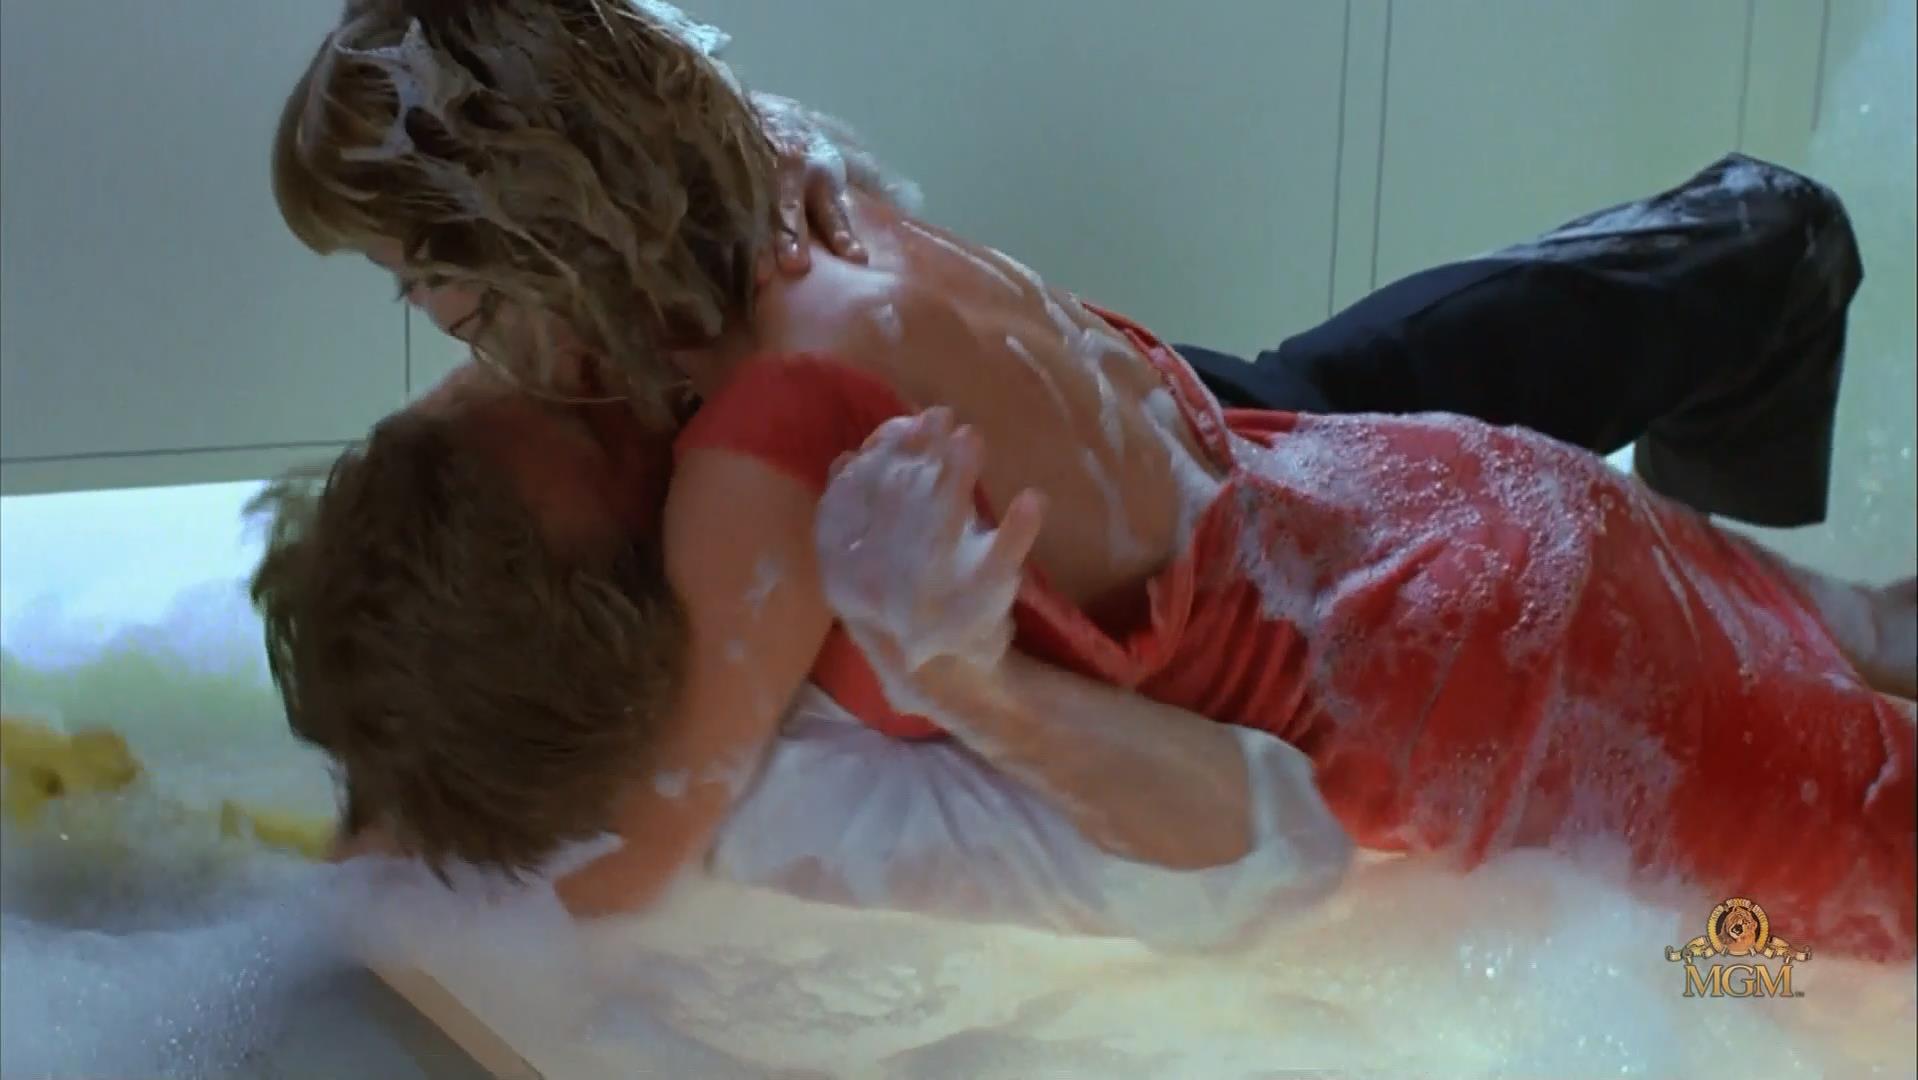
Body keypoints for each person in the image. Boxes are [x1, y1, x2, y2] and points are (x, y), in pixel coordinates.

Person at [270, 0, 1914, 957]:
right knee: (1867, 633)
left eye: (439, 287)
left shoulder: (747, 466)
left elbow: (647, 840)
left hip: (1466, 690)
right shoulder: (783, 186)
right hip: (1425, 495)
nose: (437, 328)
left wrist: (391, 862)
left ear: (545, 248)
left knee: (1803, 927)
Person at [253, 366, 1354, 948]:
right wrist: (983, 693)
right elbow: (1280, 854)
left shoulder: (551, 447)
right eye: (599, 432)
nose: (593, 366)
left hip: (1232, 427)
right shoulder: (777, 793)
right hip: (1348, 562)